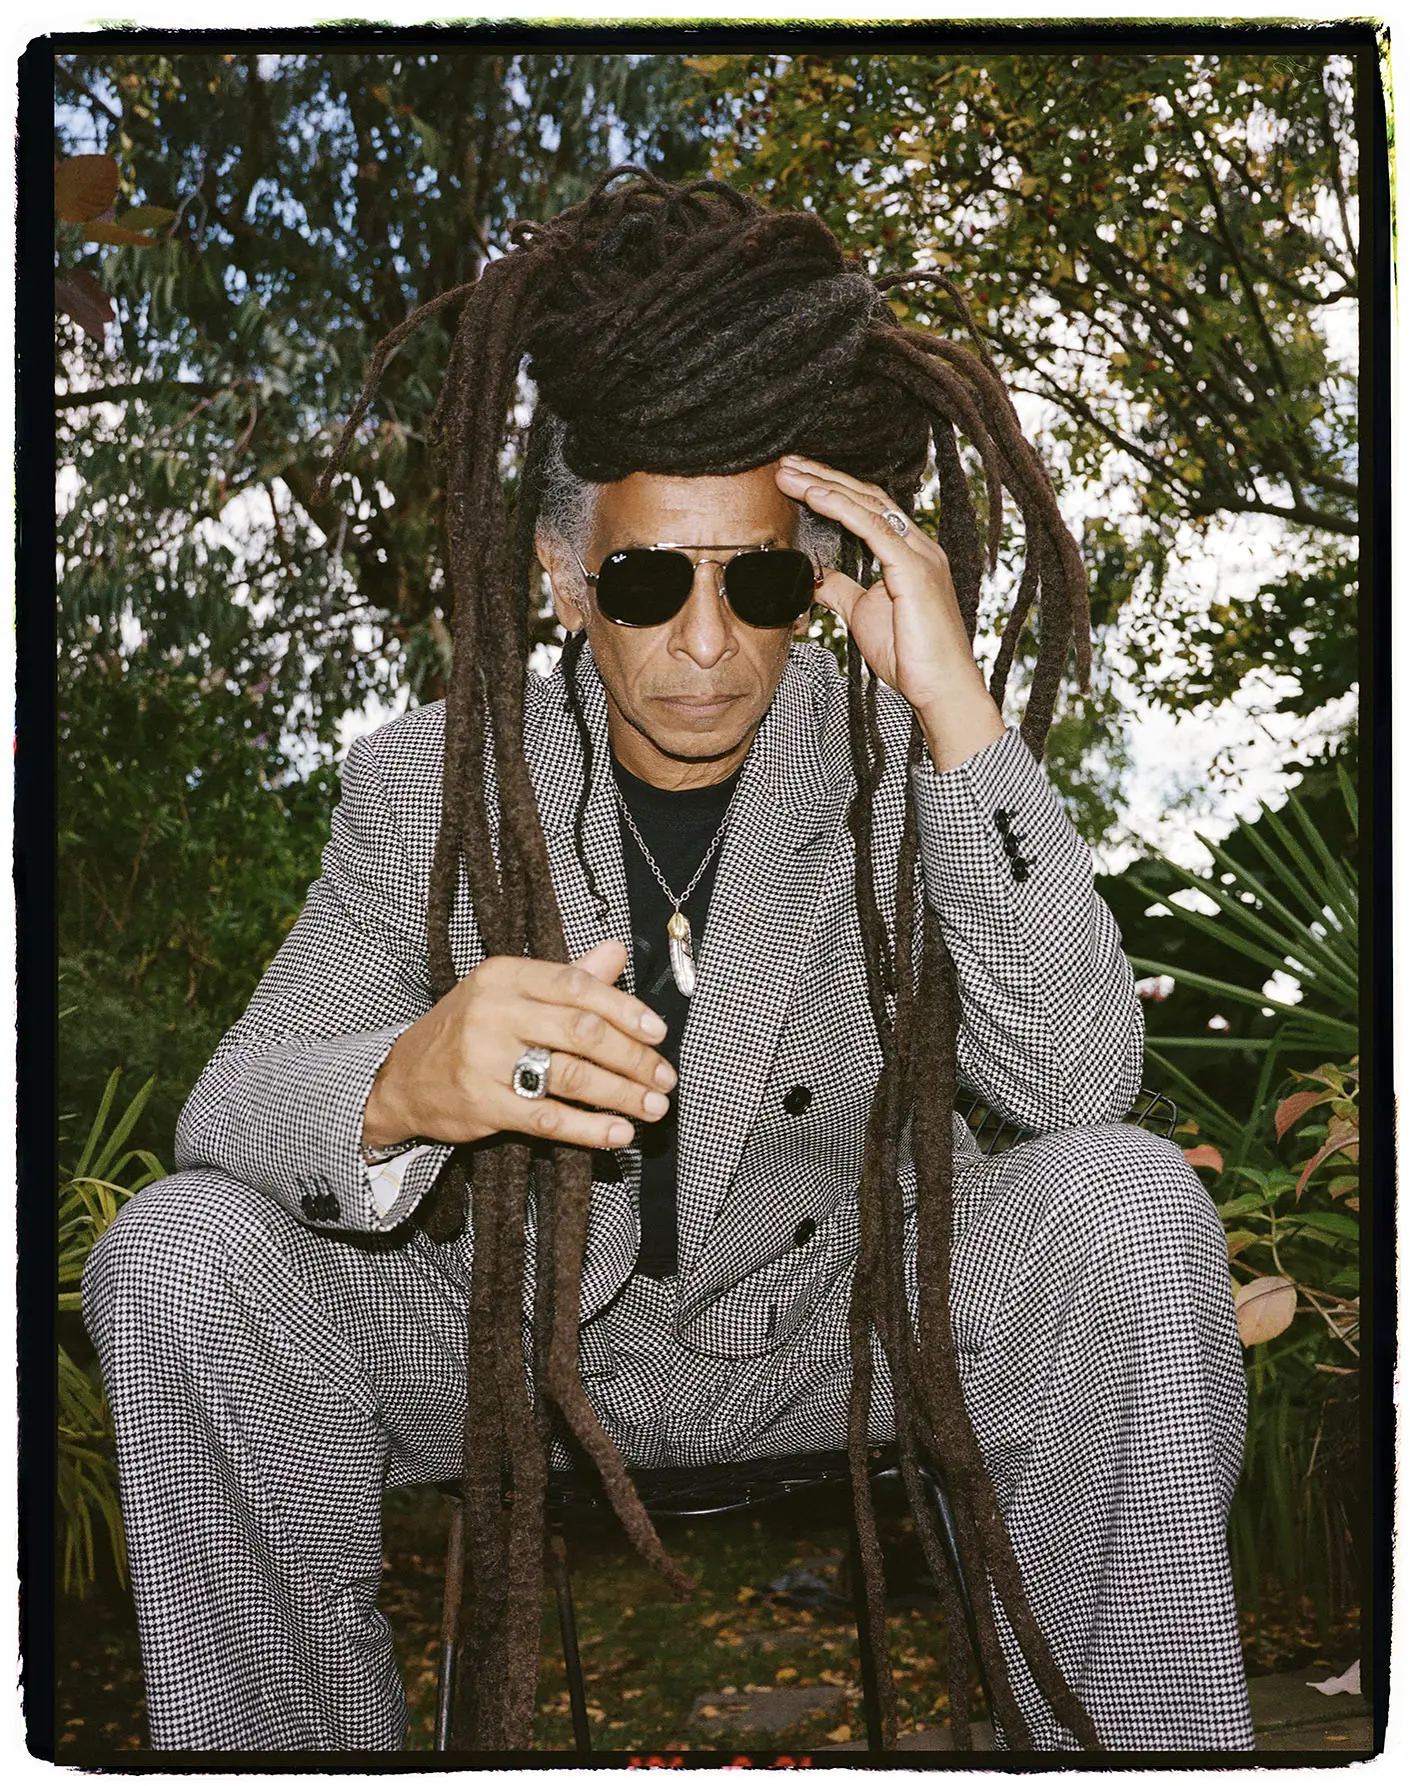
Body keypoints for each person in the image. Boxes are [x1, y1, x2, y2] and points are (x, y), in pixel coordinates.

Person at [83, 169, 1253, 1754]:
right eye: (647, 582)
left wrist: (956, 709)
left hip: (842, 1321)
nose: (707, 643)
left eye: (756, 581)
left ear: (814, 582)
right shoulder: (427, 781)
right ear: (566, 578)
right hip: (502, 1341)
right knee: (178, 1252)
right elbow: (232, 1108)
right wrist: (403, 1081)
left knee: (1125, 1197)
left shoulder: (894, 752)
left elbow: (1077, 1080)